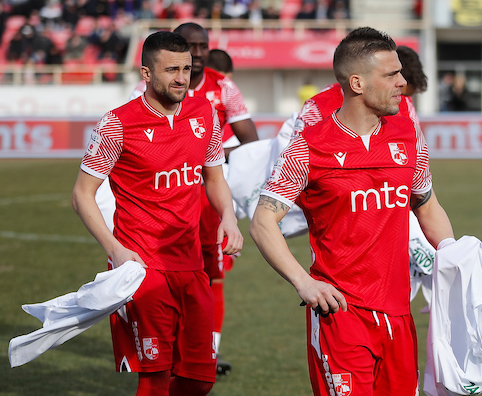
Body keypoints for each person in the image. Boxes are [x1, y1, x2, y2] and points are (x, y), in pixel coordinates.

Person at [249, 27, 455, 395]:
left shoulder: (408, 137)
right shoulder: (307, 149)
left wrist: (455, 255)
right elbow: (263, 221)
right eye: (391, 74)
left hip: (399, 317)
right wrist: (303, 282)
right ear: (357, 83)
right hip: (341, 317)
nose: (403, 82)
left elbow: (427, 206)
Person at [72, 31, 243, 396]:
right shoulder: (117, 124)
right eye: (170, 70)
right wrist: (115, 249)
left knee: (200, 379)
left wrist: (228, 216)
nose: (181, 78)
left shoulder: (204, 113)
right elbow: (82, 195)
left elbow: (214, 178)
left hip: (192, 263)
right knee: (155, 376)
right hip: (143, 266)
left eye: (185, 68)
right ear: (147, 74)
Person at [129, 22, 258, 375]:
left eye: (202, 47)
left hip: (208, 195)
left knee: (211, 276)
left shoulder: (222, 87)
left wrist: (208, 156)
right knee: (163, 275)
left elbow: (251, 140)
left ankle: (206, 351)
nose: (198, 54)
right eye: (190, 47)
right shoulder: (142, 95)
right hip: (165, 197)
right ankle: (164, 350)